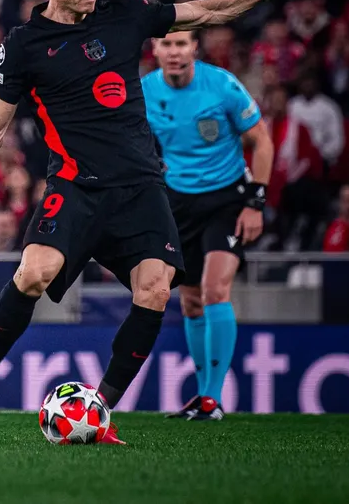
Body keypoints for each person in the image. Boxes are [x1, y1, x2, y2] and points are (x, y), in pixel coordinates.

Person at [0, 0, 317, 443]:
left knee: (154, 290)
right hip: (75, 185)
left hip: (140, 188)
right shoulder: (22, 45)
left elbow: (207, 11)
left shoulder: (125, 15)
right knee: (35, 272)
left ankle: (98, 411)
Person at [143, 30, 275, 421]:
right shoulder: (145, 91)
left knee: (215, 290)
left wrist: (255, 203)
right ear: (154, 49)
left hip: (228, 198)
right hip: (178, 203)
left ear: (194, 48)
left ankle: (212, 398)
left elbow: (262, 142)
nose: (174, 52)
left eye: (181, 43)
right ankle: (202, 396)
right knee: (191, 300)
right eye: (166, 44)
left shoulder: (221, 85)